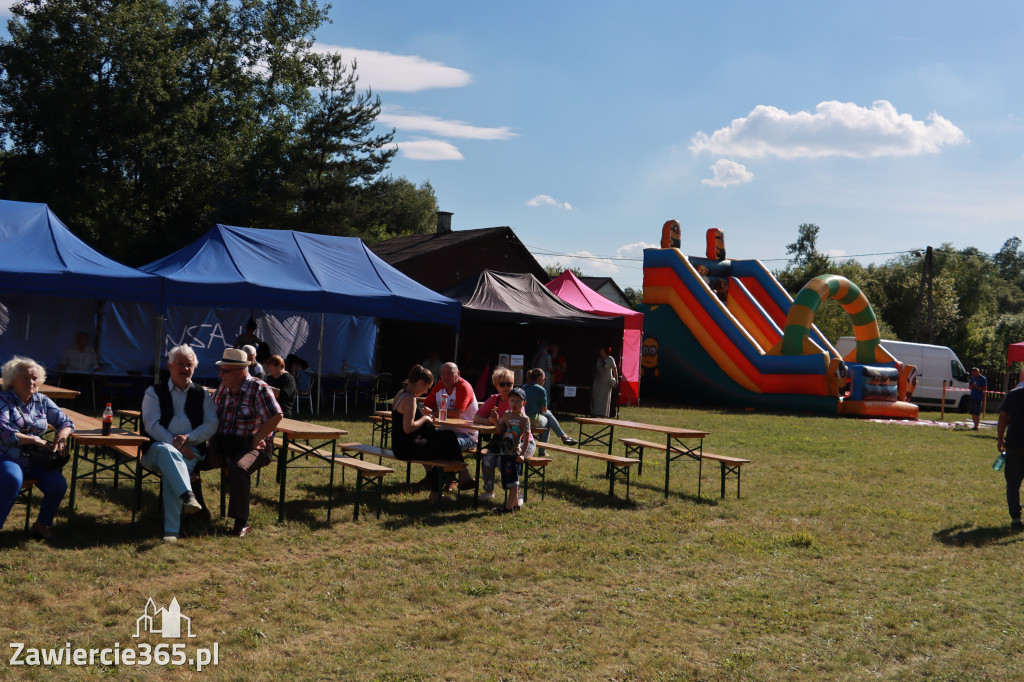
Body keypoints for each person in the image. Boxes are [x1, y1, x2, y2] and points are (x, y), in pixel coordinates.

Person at [140, 345, 217, 542]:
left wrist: (188, 439)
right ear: (170, 366)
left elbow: (211, 424)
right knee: (167, 453)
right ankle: (187, 497)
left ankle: (172, 530)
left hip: (192, 450)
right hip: (155, 450)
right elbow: (151, 425)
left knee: (172, 467)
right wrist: (177, 445)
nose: (185, 368)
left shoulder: (203, 394)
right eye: (180, 364)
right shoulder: (153, 392)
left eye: (189, 365)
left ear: (194, 368)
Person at [210, 347, 283, 538]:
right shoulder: (222, 389)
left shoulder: (258, 388)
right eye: (221, 370)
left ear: (241, 371)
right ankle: (198, 510)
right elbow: (210, 417)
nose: (221, 374)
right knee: (191, 458)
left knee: (239, 467)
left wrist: (257, 438)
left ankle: (241, 521)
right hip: (226, 444)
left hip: (253, 447)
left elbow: (276, 416)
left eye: (225, 371)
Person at [0, 356, 74, 543]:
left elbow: (66, 422)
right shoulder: (3, 399)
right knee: (12, 479)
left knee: (58, 484)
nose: (31, 382)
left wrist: (62, 436)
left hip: (34, 458)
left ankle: (41, 525)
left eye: (34, 378)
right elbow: (4, 433)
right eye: (25, 378)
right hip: (7, 455)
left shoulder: (41, 400)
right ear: (12, 380)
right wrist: (37, 440)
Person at [391, 365, 474, 502]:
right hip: (407, 447)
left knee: (449, 436)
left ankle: (461, 474)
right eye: (427, 388)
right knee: (447, 452)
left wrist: (423, 414)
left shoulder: (401, 393)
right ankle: (437, 493)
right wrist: (425, 418)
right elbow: (408, 428)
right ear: (420, 383)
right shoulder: (410, 399)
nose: (426, 392)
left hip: (401, 445)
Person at [474, 366, 517, 502]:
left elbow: (509, 425)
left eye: (509, 384)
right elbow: (476, 417)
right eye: (502, 384)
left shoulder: (517, 400)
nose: (506, 387)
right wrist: (488, 421)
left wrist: (497, 422)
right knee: (487, 459)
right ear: (496, 385)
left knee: (502, 461)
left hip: (516, 440)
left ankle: (515, 494)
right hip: (498, 438)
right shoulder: (494, 399)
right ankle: (489, 491)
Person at [493, 387, 534, 513]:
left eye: (518, 401)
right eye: (512, 400)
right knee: (507, 478)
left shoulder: (524, 419)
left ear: (524, 403)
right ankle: (515, 504)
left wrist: (522, 454)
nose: (514, 404)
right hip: (504, 452)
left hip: (514, 453)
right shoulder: (506, 414)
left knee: (513, 481)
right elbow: (499, 430)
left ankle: (508, 508)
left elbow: (526, 438)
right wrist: (495, 418)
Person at [422, 362, 479, 453]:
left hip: (467, 435)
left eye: (449, 374)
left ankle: (458, 467)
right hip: (444, 432)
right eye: (443, 374)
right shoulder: (439, 386)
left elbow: (457, 413)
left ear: (458, 374)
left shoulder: (464, 387)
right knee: (419, 439)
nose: (446, 377)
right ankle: (435, 467)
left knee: (446, 446)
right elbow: (426, 406)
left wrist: (433, 412)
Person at [523, 368, 577, 448]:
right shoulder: (541, 389)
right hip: (532, 420)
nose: (545, 381)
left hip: (522, 418)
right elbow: (544, 410)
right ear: (539, 378)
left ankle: (563, 436)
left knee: (548, 416)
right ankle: (544, 450)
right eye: (545, 379)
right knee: (548, 421)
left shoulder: (523, 387)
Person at [998, 382, 1024, 530]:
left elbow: (1002, 418)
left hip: (1013, 443)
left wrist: (1000, 439)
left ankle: (1016, 518)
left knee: (1013, 484)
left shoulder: (1013, 394)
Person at [591, 347, 619, 417]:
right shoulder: (598, 359)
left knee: (605, 399)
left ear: (606, 351)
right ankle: (594, 413)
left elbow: (615, 371)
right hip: (598, 380)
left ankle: (603, 415)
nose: (600, 351)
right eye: (600, 350)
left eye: (602, 350)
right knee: (595, 396)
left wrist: (616, 381)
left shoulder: (610, 359)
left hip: (606, 382)